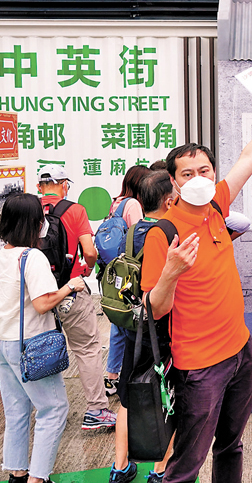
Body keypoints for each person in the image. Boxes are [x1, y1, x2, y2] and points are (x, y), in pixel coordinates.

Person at [140, 89, 252, 483]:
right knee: (187, 463)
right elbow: (154, 308)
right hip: (200, 366)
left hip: (241, 349)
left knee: (232, 445)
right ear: (172, 182)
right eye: (187, 173)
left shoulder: (216, 207)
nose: (198, 178)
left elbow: (249, 158)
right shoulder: (163, 234)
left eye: (204, 170)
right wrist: (172, 271)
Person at [0, 193, 85, 483]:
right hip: (31, 344)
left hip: (2, 342)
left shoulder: (3, 255)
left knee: (17, 410)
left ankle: (18, 473)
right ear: (34, 223)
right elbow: (43, 303)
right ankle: (38, 478)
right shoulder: (33, 257)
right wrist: (71, 286)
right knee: (54, 409)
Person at [37, 164, 116, 430]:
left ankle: (46, 411)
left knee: (39, 348)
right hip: (71, 288)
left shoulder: (28, 210)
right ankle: (96, 410)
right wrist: (86, 271)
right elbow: (90, 251)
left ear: (39, 186)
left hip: (38, 294)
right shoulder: (75, 210)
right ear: (64, 185)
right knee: (86, 349)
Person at [109, 171, 175, 483]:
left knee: (128, 396)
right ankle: (161, 470)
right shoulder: (166, 233)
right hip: (161, 327)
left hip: (132, 322)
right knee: (167, 396)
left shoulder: (132, 228)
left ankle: (120, 467)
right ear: (168, 199)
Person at [105, 164, 150, 396]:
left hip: (116, 270)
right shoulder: (133, 204)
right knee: (125, 325)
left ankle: (112, 375)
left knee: (118, 325)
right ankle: (115, 375)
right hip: (129, 272)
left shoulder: (117, 201)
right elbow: (137, 235)